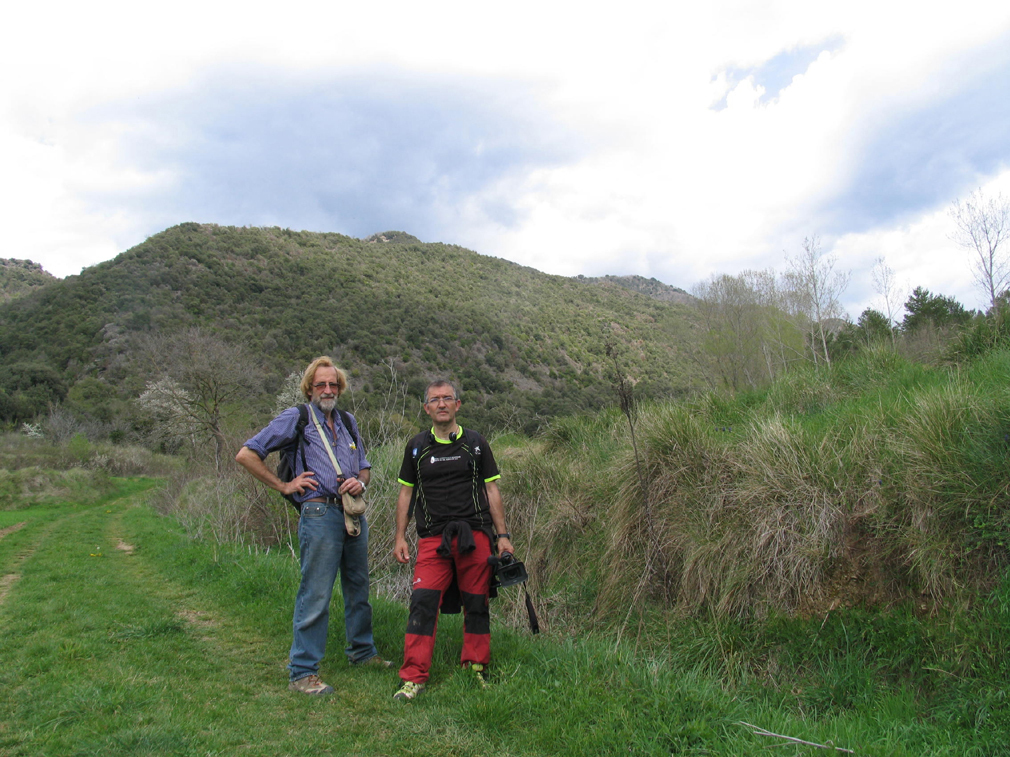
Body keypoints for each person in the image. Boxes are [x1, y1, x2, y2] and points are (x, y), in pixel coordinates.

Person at [235, 356, 390, 696]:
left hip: (352, 515)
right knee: (316, 592)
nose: (328, 389)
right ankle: (303, 672)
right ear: (309, 388)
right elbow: (247, 454)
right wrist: (284, 486)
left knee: (358, 587)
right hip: (319, 514)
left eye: (333, 384)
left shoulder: (347, 421)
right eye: (320, 384)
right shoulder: (298, 417)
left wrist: (360, 484)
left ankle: (362, 653)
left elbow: (364, 467)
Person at [392, 379, 515, 701]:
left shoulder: (476, 444)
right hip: (433, 540)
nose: (442, 404)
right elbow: (406, 492)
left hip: (475, 537)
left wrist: (503, 537)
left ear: (458, 405)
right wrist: (400, 536)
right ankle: (413, 678)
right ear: (426, 408)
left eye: (448, 399)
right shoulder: (416, 447)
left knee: (477, 604)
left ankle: (476, 667)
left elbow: (492, 490)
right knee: (422, 602)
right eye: (435, 400)